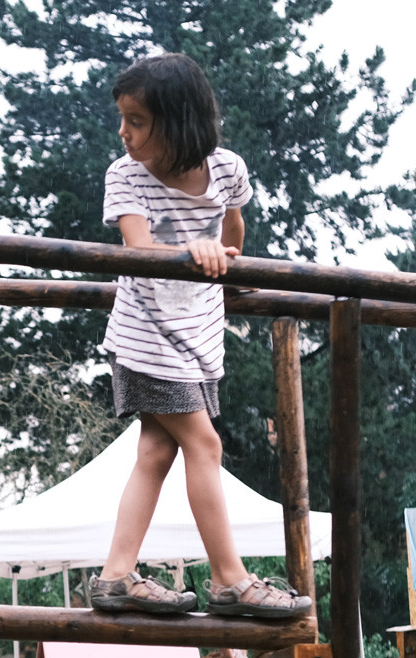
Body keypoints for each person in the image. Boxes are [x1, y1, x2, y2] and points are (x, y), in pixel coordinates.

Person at [86, 52, 310, 622]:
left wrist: (224, 255)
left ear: (179, 121)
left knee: (158, 450)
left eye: (136, 121)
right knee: (204, 445)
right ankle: (231, 581)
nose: (124, 133)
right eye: (122, 119)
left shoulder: (227, 169)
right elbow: (139, 249)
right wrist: (194, 252)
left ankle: (115, 576)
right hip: (145, 335)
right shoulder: (126, 175)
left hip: (198, 333)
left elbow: (232, 229)